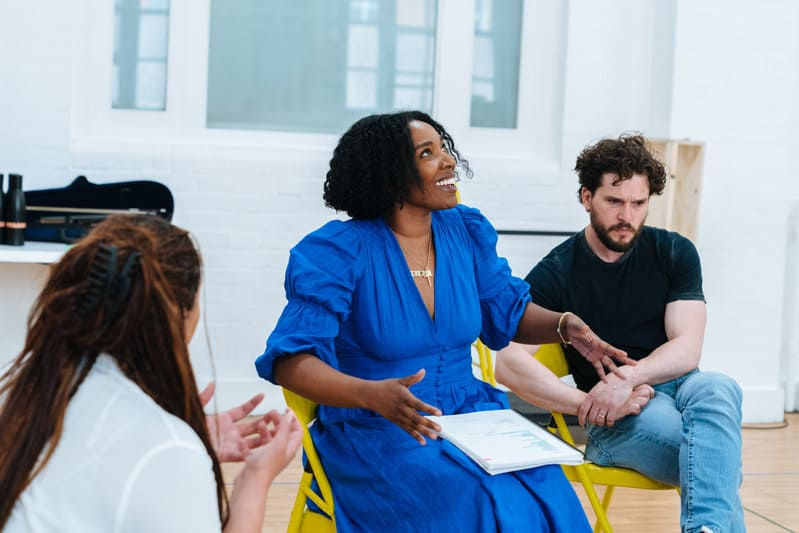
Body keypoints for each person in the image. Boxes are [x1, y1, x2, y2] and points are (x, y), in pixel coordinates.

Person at [255, 111, 644, 532]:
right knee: (476, 498)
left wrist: (566, 326)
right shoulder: (338, 252)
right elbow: (291, 361)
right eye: (427, 153)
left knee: (545, 485)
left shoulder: (463, 231)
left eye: (444, 148)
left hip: (472, 414)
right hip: (380, 426)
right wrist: (370, 395)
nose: (448, 161)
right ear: (389, 173)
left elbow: (507, 311)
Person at [496, 134, 744, 533]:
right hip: (617, 418)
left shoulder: (674, 252)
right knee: (717, 460)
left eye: (638, 203)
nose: (627, 215)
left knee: (719, 387)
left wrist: (626, 378)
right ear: (586, 197)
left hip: (679, 387)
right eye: (614, 201)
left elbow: (687, 350)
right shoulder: (556, 272)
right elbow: (507, 363)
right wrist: (587, 403)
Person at [0, 214, 302, 533]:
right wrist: (254, 479)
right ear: (180, 314)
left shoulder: (21, 395)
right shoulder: (168, 448)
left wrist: (187, 441)